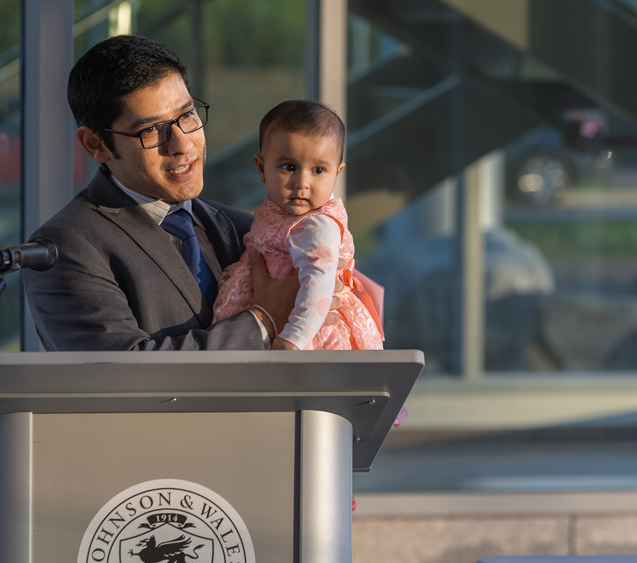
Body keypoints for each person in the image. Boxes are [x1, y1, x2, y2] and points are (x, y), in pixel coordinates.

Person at [23, 35, 298, 351]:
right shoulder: (63, 248)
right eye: (152, 129)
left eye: (187, 115)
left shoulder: (246, 231)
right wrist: (263, 320)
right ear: (95, 144)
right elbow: (124, 374)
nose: (182, 145)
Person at [213, 100, 384, 351]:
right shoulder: (280, 213)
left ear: (337, 174)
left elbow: (319, 285)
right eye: (289, 167)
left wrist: (293, 338)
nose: (301, 182)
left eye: (318, 170)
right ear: (261, 168)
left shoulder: (317, 225)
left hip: (308, 334)